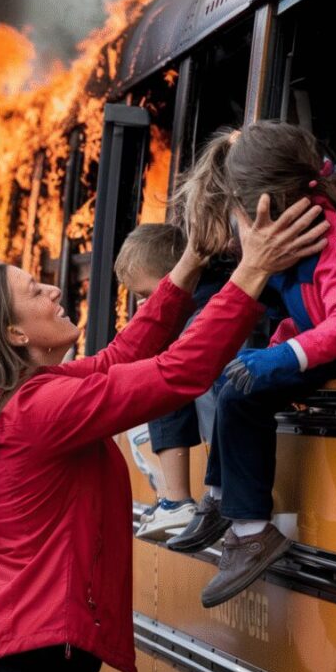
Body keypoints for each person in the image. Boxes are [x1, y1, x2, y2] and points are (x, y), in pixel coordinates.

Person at [0, 195, 328, 672]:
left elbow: (120, 357)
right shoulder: (36, 410)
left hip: (20, 644)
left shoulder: (24, 397)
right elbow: (178, 372)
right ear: (15, 333)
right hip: (27, 655)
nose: (54, 290)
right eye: (35, 292)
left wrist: (190, 261)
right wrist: (253, 270)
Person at [168, 122, 336, 608]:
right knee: (231, 383)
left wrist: (281, 355)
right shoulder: (300, 225)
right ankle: (219, 497)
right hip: (308, 343)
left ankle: (251, 532)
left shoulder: (329, 233)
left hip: (331, 353)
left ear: (268, 200)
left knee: (243, 395)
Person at [115, 223, 233, 539]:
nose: (145, 307)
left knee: (160, 375)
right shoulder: (210, 301)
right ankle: (175, 499)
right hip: (224, 444)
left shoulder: (205, 315)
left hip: (229, 446)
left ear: (180, 275)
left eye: (147, 295)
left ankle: (178, 498)